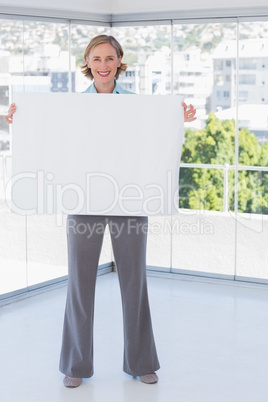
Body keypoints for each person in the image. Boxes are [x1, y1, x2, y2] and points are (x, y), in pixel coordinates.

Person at [6, 34, 196, 389]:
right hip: (85, 203)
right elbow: (50, 140)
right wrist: (22, 122)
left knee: (134, 282)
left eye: (110, 58)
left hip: (131, 201)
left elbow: (157, 141)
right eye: (97, 59)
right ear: (88, 62)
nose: (104, 65)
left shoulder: (139, 106)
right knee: (80, 283)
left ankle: (141, 362)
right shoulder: (72, 108)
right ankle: (75, 365)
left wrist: (178, 118)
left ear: (120, 61)